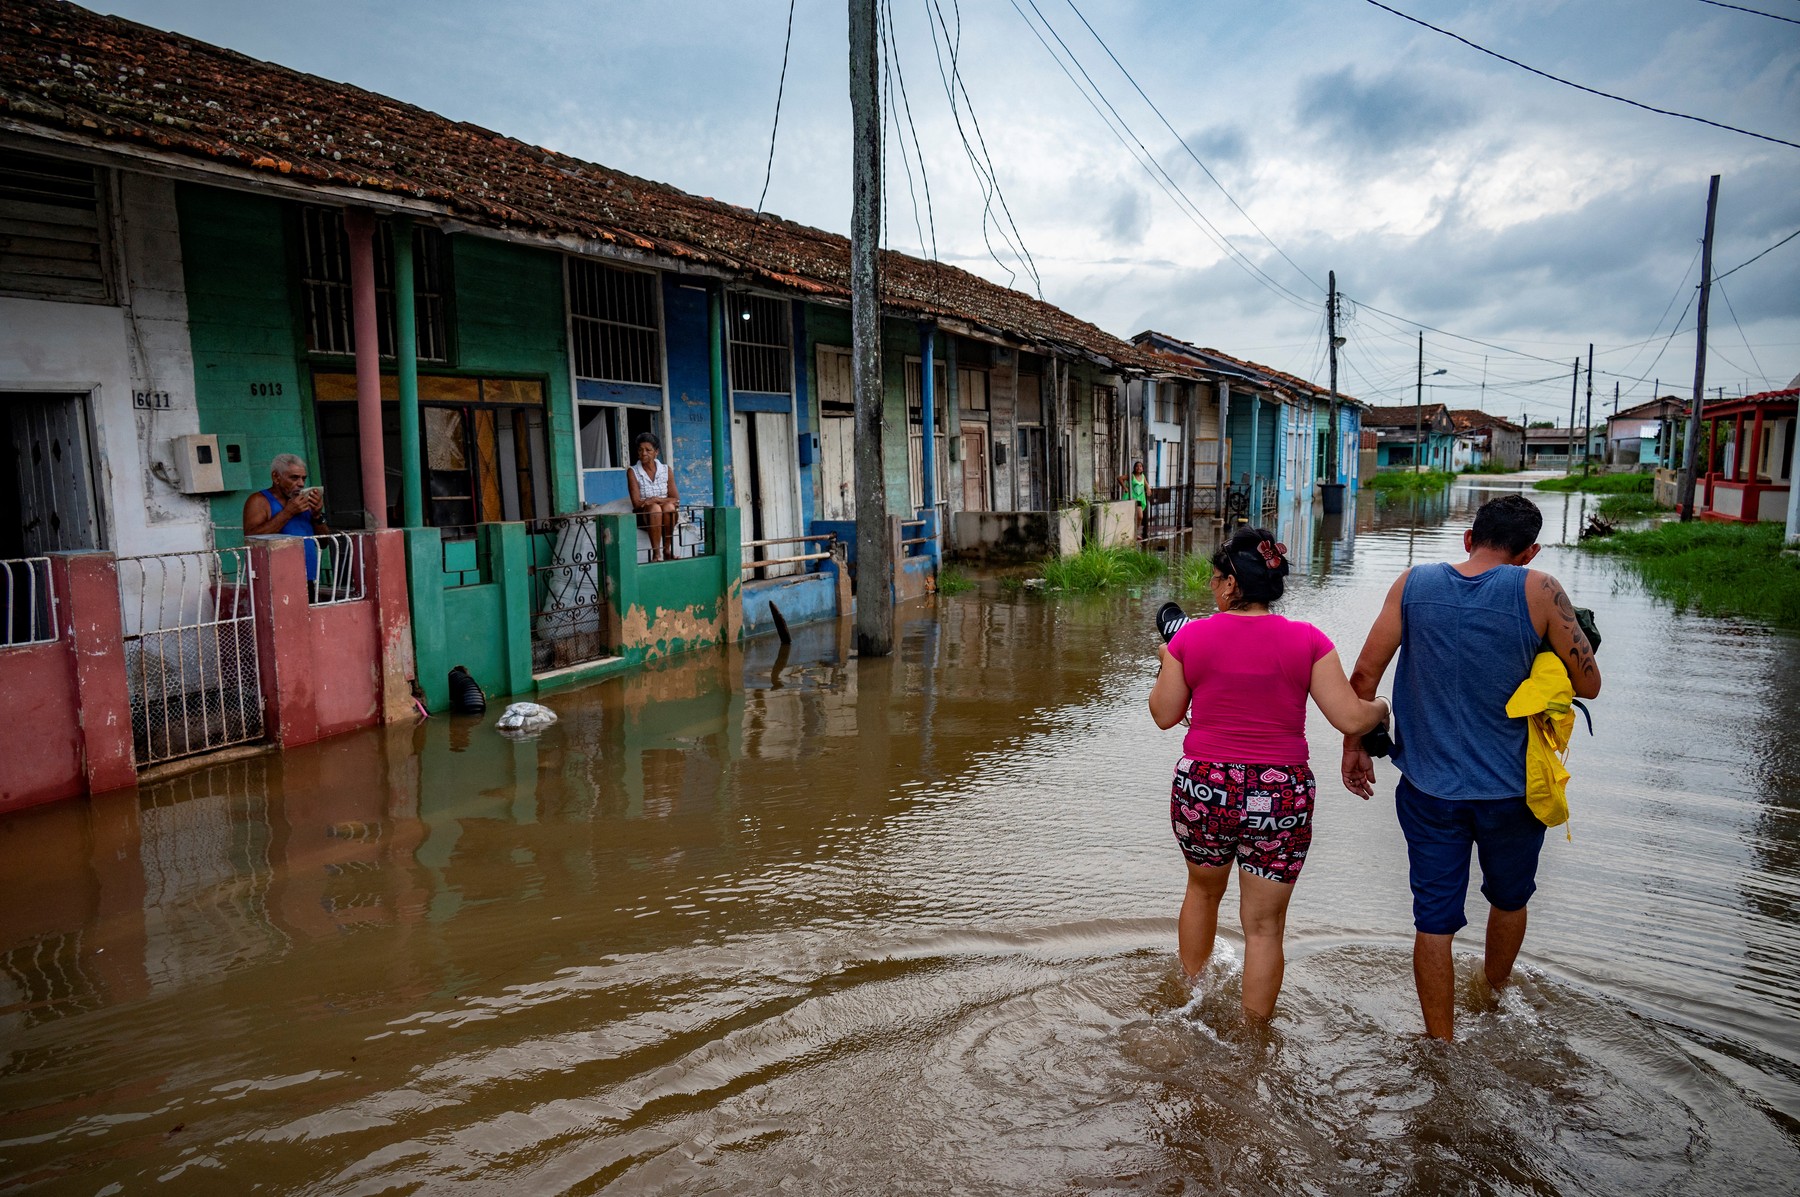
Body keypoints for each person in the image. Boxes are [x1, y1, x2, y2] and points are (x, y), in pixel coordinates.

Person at [1340, 493, 1601, 1041]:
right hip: (1512, 791)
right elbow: (1589, 684)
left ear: (1467, 538)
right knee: (1509, 898)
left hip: (1429, 789)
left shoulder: (1412, 585)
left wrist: (1354, 747)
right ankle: (1493, 999)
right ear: (1528, 551)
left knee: (1433, 919)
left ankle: (1441, 1045)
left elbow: (1363, 678)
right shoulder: (1540, 588)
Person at [1149, 528, 1390, 1021]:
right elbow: (1349, 718)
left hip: (1205, 789)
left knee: (1201, 891)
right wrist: (1382, 708)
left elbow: (1164, 714)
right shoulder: (1308, 640)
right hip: (1280, 796)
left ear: (1232, 585)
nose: (1213, 588)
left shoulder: (1190, 638)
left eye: (1216, 579)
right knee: (1263, 927)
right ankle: (1254, 1039)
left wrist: (1166, 662)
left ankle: (1192, 1006)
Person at [242, 453, 326, 583]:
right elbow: (252, 537)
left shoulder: (304, 501)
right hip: (276, 579)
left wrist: (317, 515)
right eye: (294, 478)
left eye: (304, 478)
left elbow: (324, 543)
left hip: (308, 577)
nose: (301, 484)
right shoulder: (259, 501)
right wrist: (288, 513)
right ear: (276, 477)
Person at [627, 432, 680, 562]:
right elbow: (637, 503)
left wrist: (657, 500)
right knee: (655, 508)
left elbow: (675, 498)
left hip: (666, 513)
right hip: (644, 516)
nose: (643, 453)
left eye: (648, 450)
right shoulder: (632, 472)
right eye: (640, 450)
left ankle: (667, 550)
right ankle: (656, 554)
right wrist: (654, 504)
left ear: (656, 452)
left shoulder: (666, 470)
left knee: (668, 507)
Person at [1128, 461, 1149, 539]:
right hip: (1131, 498)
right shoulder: (1131, 476)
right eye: (1137, 466)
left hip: (1139, 499)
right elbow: (1119, 478)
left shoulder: (1143, 476)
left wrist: (1148, 489)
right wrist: (1125, 488)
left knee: (1140, 516)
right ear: (1134, 468)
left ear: (1142, 468)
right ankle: (1131, 533)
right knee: (1131, 516)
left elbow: (1146, 484)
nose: (1139, 468)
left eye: (1140, 466)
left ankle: (1135, 532)